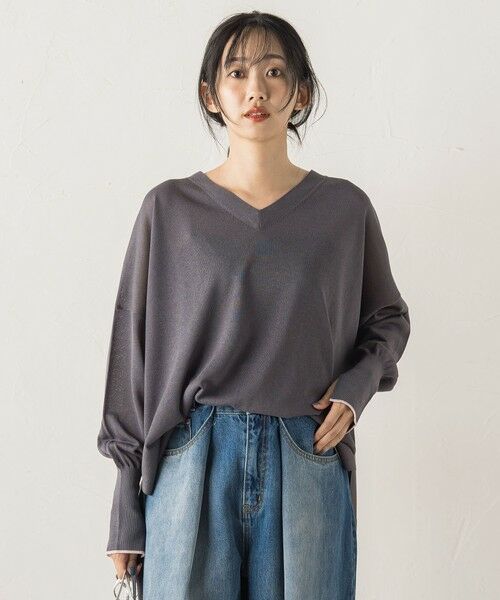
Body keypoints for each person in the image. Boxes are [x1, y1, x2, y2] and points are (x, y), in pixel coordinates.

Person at [97, 10, 411, 599]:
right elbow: (130, 352)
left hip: (307, 449)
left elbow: (387, 317)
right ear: (210, 95)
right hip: (191, 456)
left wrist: (356, 388)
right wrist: (125, 510)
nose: (256, 90)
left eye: (274, 71)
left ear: (301, 92)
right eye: (237, 73)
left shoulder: (343, 210)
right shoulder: (170, 211)